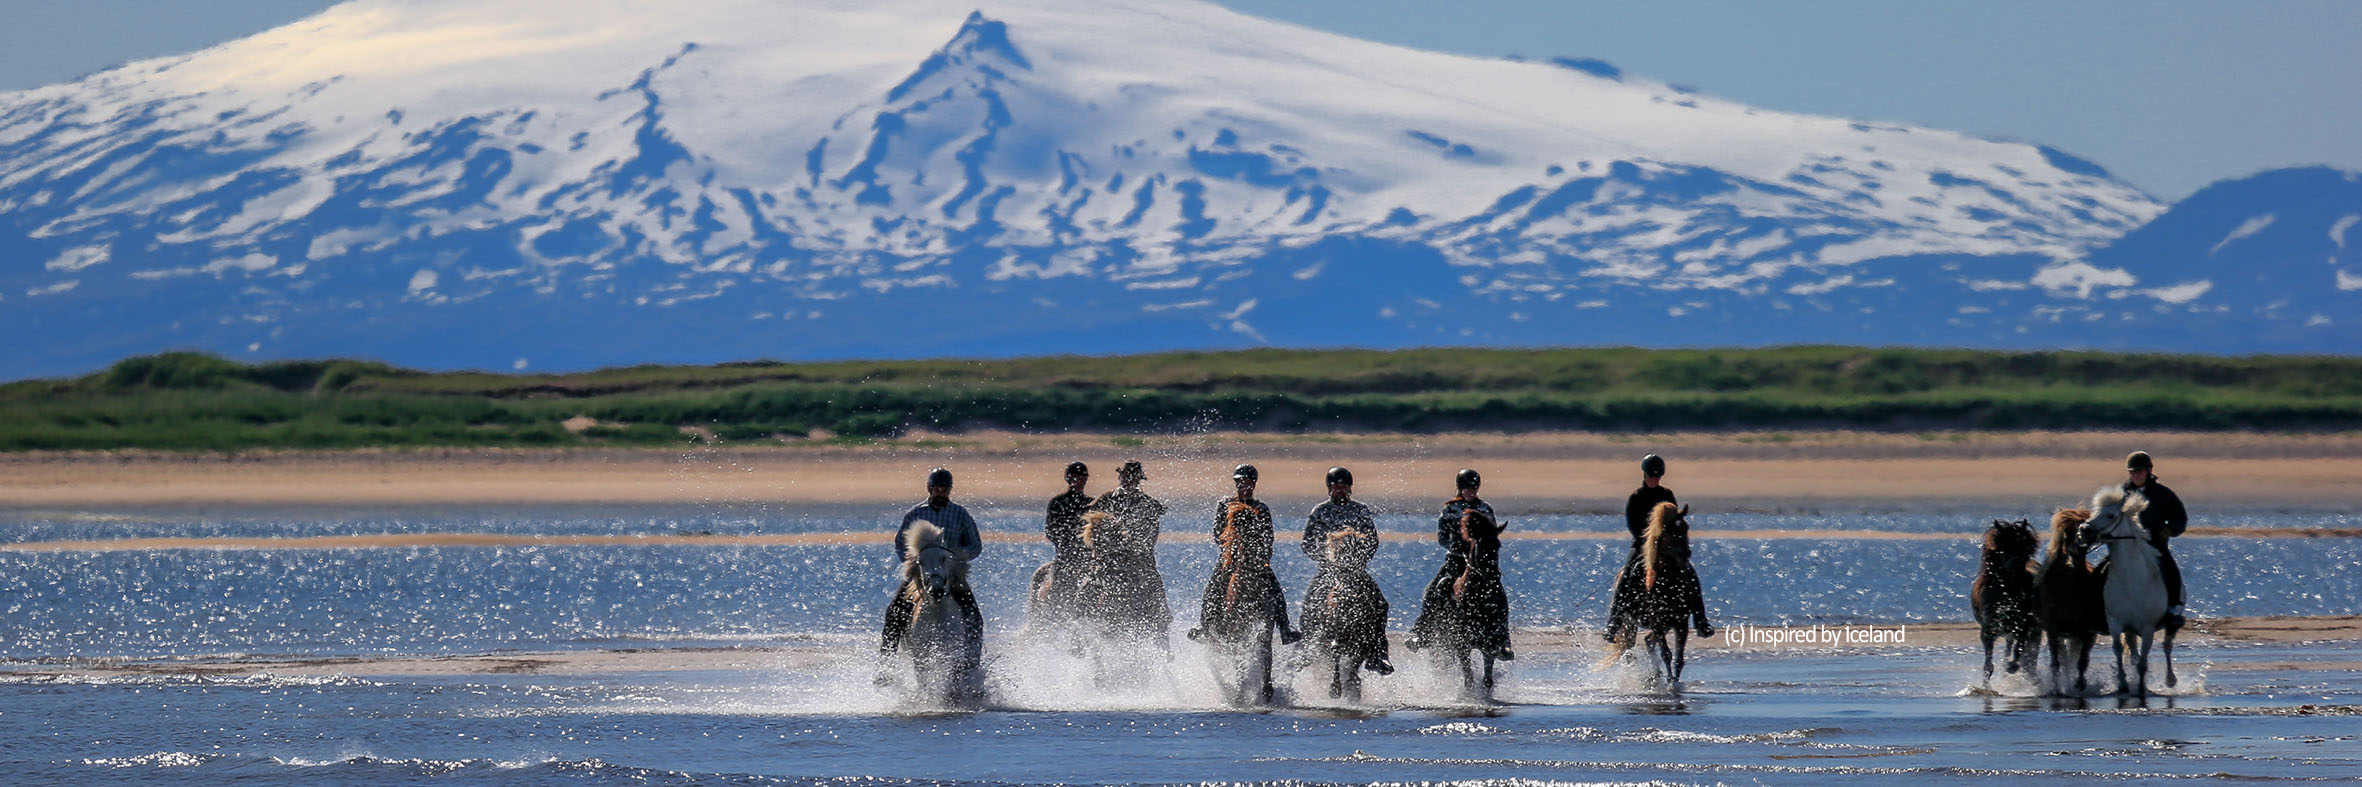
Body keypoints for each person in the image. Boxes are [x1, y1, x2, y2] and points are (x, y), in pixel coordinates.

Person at [879, 467, 985, 670]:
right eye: (937, 489)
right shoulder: (915, 514)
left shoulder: (959, 514)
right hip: (920, 574)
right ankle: (886, 665)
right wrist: (914, 564)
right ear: (929, 488)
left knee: (974, 616)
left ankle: (972, 666)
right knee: (894, 613)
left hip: (952, 574)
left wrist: (958, 558)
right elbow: (901, 544)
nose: (941, 493)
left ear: (950, 490)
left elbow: (975, 545)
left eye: (945, 490)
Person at [1187, 463, 1302, 644]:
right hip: (1230, 557)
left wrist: (1261, 555)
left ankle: (1285, 627)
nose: (1244, 487)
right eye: (1240, 483)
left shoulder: (1262, 508)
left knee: (1275, 588)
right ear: (1236, 484)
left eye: (1248, 483)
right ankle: (1204, 626)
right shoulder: (1225, 505)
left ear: (1254, 484)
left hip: (1255, 558)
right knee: (1214, 586)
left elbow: (1268, 537)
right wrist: (1231, 546)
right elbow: (1218, 534)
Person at [1406, 468, 1511, 659]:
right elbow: (1442, 537)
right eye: (1466, 488)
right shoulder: (1450, 509)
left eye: (1473, 487)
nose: (1470, 491)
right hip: (1455, 559)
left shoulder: (1486, 509)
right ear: (1460, 488)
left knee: (1499, 595)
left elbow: (1492, 534)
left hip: (1479, 562)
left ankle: (1503, 641)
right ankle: (1421, 632)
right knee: (1435, 589)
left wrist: (1482, 552)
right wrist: (1458, 546)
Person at [1605, 454, 1712, 641]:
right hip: (1641, 546)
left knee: (1691, 575)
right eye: (1651, 476)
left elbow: (1674, 521)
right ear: (1645, 475)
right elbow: (1633, 525)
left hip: (1666, 548)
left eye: (1657, 476)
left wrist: (1669, 542)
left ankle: (1701, 620)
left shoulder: (1667, 495)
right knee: (1628, 575)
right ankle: (1613, 622)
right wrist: (1648, 542)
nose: (1654, 479)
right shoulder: (1636, 497)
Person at [1301, 465, 1393, 674]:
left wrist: (1359, 559)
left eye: (1343, 485)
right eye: (1335, 485)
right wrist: (1327, 558)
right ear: (1329, 488)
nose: (1339, 489)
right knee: (1310, 603)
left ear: (1350, 488)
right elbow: (1306, 544)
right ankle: (1306, 649)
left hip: (1356, 570)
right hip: (1328, 570)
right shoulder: (1320, 511)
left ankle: (1379, 653)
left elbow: (1372, 541)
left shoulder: (1360, 510)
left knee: (1380, 604)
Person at [1086, 459, 1173, 648]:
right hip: (1108, 559)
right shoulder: (1106, 499)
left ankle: (1162, 637)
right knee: (1087, 588)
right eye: (1125, 476)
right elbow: (1092, 526)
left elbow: (1151, 537)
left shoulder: (1148, 504)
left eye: (1132, 477)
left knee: (1155, 588)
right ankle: (1079, 634)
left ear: (1138, 480)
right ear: (1120, 477)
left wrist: (1133, 546)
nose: (1128, 480)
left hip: (1139, 560)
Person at [2123, 451, 2189, 630]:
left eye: (2139, 471)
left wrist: (2170, 530)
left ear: (2149, 471)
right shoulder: (2122, 494)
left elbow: (2180, 517)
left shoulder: (2163, 494)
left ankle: (2174, 608)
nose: (2136, 475)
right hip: (2128, 547)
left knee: (2171, 570)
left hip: (2155, 545)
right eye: (2133, 472)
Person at [1039, 461, 1094, 627]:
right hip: (1066, 558)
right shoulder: (1057, 503)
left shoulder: (1092, 504)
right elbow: (1051, 531)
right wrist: (1070, 542)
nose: (1080, 481)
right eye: (1076, 478)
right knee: (1057, 590)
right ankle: (1049, 618)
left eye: (1083, 478)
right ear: (1068, 479)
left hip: (1088, 559)